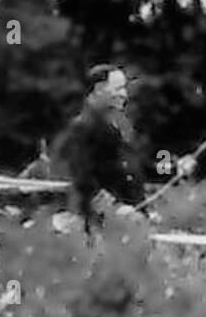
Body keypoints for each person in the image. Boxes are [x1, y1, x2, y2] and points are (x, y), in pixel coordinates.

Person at [53, 65, 146, 230]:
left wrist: (173, 168)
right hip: (99, 225)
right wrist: (113, 209)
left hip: (129, 218)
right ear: (99, 89)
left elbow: (139, 165)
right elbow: (82, 178)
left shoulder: (120, 125)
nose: (124, 94)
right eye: (118, 88)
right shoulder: (82, 128)